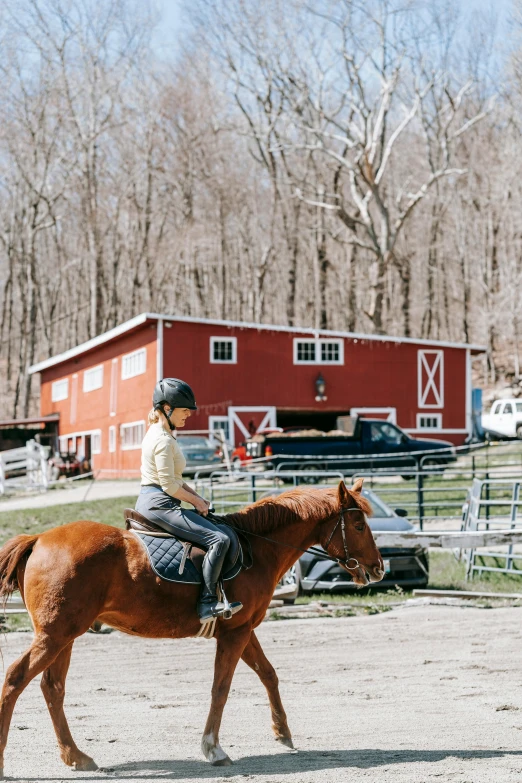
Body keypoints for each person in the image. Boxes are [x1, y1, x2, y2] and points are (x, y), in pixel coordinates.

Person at [135, 378, 242, 623]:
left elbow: (176, 479)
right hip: (159, 504)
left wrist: (198, 498)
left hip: (158, 500)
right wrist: (195, 502)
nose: (188, 416)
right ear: (167, 408)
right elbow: (169, 485)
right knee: (219, 539)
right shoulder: (162, 440)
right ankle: (207, 603)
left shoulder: (160, 434)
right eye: (184, 411)